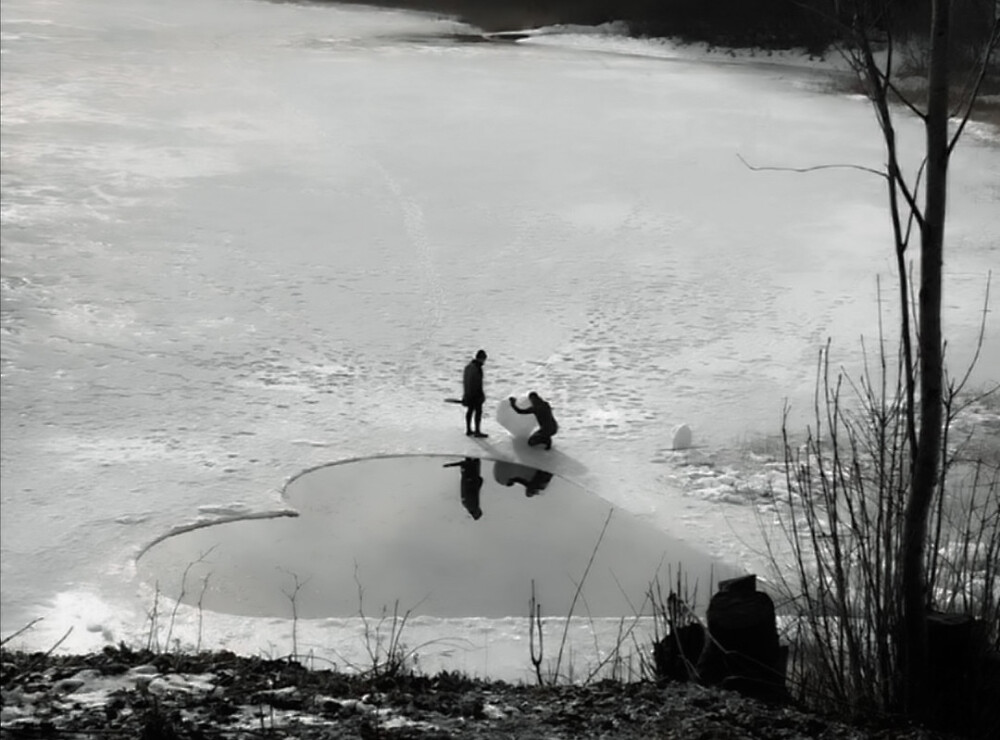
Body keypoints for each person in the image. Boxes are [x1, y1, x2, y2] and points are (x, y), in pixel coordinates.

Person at [462, 349, 488, 438]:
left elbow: (465, 381)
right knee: (478, 412)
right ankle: (477, 431)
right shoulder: (477, 368)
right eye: (484, 360)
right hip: (475, 394)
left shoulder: (468, 367)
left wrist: (465, 394)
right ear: (481, 359)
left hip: (468, 392)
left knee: (470, 411)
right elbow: (478, 383)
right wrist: (481, 395)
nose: (484, 362)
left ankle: (468, 429)